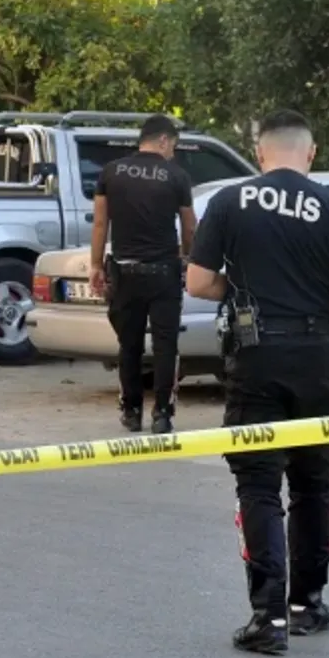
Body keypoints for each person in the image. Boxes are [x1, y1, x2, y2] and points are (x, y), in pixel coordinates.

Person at [185, 109, 329, 656]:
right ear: (311, 153)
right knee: (314, 483)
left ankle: (267, 617)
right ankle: (306, 605)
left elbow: (198, 281)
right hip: (318, 355)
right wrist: (324, 298)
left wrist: (240, 290)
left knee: (259, 483)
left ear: (259, 152)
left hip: (256, 355)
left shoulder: (229, 202)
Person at [89, 114, 197, 434]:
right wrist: (187, 258)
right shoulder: (177, 176)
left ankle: (131, 410)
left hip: (124, 271)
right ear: (163, 140)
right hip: (164, 272)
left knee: (129, 344)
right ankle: (162, 413)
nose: (172, 153)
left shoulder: (111, 172)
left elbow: (100, 223)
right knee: (166, 345)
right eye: (173, 146)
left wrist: (96, 265)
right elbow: (189, 226)